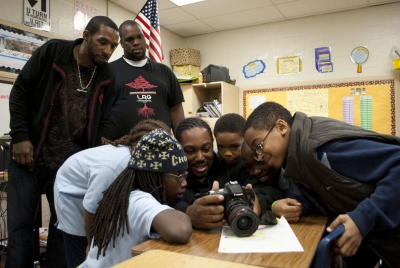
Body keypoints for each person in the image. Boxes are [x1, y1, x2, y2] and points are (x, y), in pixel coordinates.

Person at [7, 16, 119, 268]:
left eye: (113, 46)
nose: (108, 50)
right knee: (20, 229)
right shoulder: (54, 52)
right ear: (86, 36)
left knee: (64, 231)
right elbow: (20, 92)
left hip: (68, 169)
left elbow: (105, 120)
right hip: (29, 158)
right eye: (103, 42)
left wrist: (93, 158)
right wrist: (20, 136)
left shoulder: (106, 75)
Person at [243, 101, 400, 267]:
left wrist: (363, 218)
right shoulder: (299, 154)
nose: (259, 157)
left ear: (281, 127)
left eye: (259, 146)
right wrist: (293, 206)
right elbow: (332, 191)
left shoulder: (319, 147)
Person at [54, 119, 170, 268]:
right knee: (81, 254)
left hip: (92, 189)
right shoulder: (112, 167)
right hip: (71, 193)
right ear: (135, 147)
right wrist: (92, 245)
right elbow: (91, 208)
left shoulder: (139, 160)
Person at [81, 128, 192, 267]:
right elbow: (179, 230)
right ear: (155, 176)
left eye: (185, 175)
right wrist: (190, 214)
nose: (184, 182)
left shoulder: (129, 193)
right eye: (178, 175)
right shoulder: (138, 201)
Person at [174, 117, 284, 230]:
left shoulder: (232, 165)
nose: (200, 158)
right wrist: (187, 212)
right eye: (190, 151)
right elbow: (162, 202)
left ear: (213, 145)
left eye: (206, 149)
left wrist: (258, 202)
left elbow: (272, 191)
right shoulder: (173, 174)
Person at [109, 20, 184, 139]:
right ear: (122, 43)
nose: (136, 42)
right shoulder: (109, 71)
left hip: (161, 145)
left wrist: (182, 141)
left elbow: (176, 109)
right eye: (129, 39)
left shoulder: (165, 71)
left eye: (139, 37)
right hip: (121, 146)